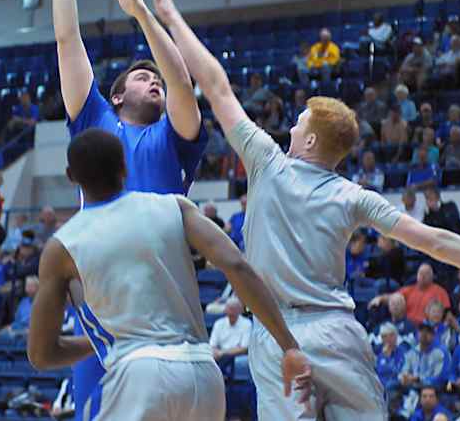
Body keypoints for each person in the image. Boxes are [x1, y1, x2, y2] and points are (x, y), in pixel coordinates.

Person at [146, 0, 460, 419]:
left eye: (298, 124)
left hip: (278, 336)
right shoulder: (354, 195)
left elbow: (214, 84)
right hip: (336, 331)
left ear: (310, 140)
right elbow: (437, 241)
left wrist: (170, 15)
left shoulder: (267, 162)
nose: (290, 127)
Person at [27, 128, 310, 420]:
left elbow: (41, 354)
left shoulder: (62, 245)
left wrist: (107, 340)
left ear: (71, 176)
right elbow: (237, 265)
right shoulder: (173, 206)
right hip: (203, 372)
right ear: (124, 166)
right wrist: (289, 346)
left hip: (139, 372)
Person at [54, 0, 210, 415]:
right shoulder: (95, 119)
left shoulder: (176, 138)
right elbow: (67, 40)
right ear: (117, 96)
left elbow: (184, 82)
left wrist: (144, 15)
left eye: (158, 78)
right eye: (145, 78)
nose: (157, 81)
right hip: (100, 301)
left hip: (161, 306)